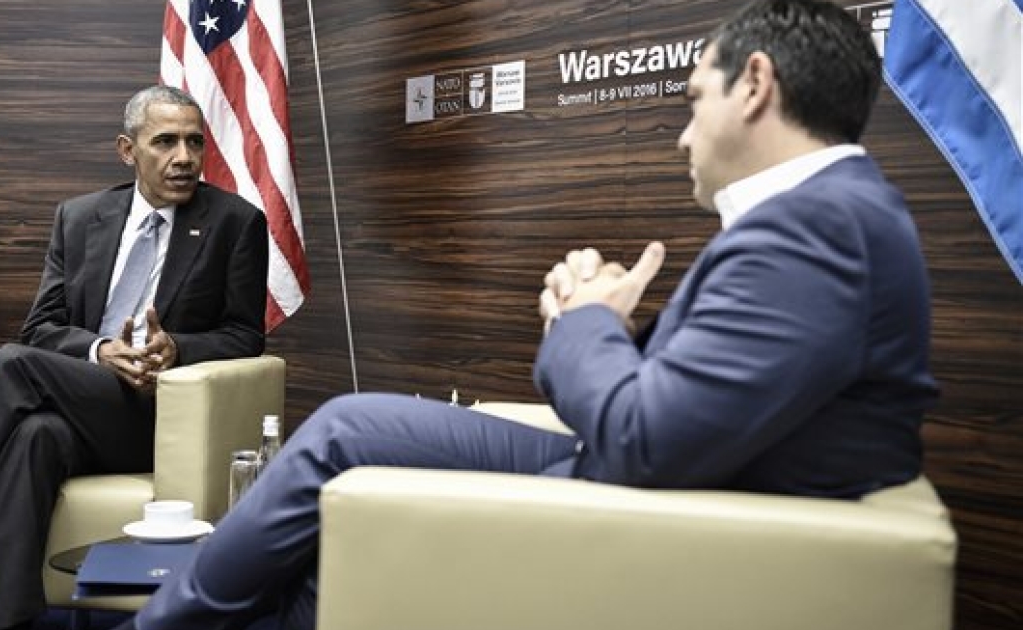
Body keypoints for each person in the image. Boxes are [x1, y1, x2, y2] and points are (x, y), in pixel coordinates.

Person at [118, 0, 938, 628]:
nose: (683, 137)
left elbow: (648, 440)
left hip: (638, 491)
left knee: (336, 472)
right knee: (346, 430)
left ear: (755, 84)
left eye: (694, 102)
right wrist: (595, 323)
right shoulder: (829, 215)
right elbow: (707, 398)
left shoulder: (818, 229)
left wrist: (588, 323)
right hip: (653, 467)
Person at [0, 85, 269, 630]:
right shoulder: (80, 218)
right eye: (165, 142)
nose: (184, 157)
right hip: (78, 400)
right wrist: (99, 350)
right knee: (33, 436)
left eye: (194, 142)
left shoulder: (235, 223)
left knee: (12, 365)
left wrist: (178, 347)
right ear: (127, 150)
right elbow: (41, 327)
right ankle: (6, 622)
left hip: (157, 411)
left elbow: (245, 336)